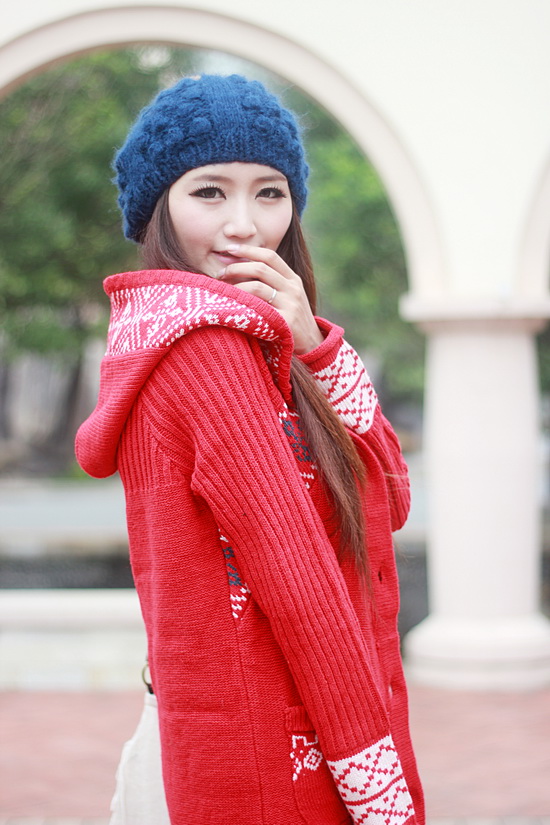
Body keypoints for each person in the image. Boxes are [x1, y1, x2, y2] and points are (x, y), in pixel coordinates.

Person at [76, 73, 424, 825]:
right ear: (159, 207)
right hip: (260, 769)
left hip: (217, 745)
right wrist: (383, 797)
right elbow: (304, 598)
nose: (244, 226)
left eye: (270, 192)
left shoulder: (251, 344)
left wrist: (317, 349)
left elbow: (390, 496)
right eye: (209, 192)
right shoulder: (206, 350)